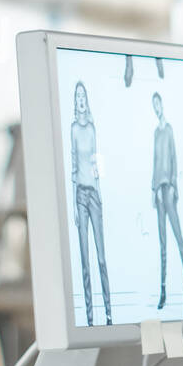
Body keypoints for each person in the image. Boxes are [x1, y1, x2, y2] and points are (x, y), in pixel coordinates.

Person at [70, 81, 111, 325]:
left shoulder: (92, 128)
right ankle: (89, 318)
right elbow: (74, 165)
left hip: (94, 194)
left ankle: (108, 315)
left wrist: (101, 192)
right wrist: (75, 204)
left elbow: (96, 164)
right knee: (85, 259)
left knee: (101, 257)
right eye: (78, 96)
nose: (81, 100)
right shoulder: (74, 129)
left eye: (83, 95)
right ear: (75, 102)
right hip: (81, 196)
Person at [151, 92, 183, 319]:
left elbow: (173, 158)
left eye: (158, 103)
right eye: (154, 105)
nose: (156, 107)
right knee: (163, 246)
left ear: (162, 104)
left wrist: (174, 186)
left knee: (179, 241)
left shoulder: (168, 130)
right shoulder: (155, 133)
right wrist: (153, 189)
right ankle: (163, 292)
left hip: (169, 190)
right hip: (158, 192)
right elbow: (155, 162)